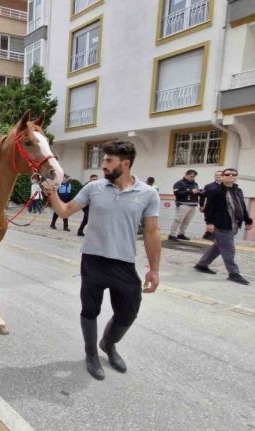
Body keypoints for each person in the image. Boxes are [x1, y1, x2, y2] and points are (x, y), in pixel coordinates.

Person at [43, 140, 161, 381]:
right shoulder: (93, 188)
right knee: (90, 310)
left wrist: (154, 270)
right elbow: (65, 211)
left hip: (124, 263)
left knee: (128, 312)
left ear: (125, 163)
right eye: (103, 160)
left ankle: (108, 343)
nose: (103, 164)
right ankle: (91, 355)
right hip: (93, 260)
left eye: (109, 160)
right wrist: (52, 193)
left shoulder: (148, 194)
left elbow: (151, 232)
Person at [194, 168, 252, 285]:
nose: (230, 176)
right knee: (229, 249)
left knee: (218, 247)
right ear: (222, 177)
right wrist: (209, 222)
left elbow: (241, 207)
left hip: (234, 224)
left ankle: (202, 265)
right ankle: (234, 274)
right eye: (227, 174)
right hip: (221, 224)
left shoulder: (238, 190)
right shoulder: (215, 191)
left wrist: (248, 220)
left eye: (233, 174)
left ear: (236, 177)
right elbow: (209, 208)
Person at [169, 169, 200, 241]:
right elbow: (177, 193)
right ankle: (172, 235)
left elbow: (195, 192)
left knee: (187, 221)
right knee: (178, 220)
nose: (192, 178)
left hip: (193, 205)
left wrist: (199, 192)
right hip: (183, 204)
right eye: (191, 176)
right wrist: (190, 191)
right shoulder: (179, 183)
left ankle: (181, 234)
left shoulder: (195, 184)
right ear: (186, 175)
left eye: (194, 177)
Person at [199, 171, 222, 240]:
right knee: (210, 222)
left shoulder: (225, 186)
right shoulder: (209, 186)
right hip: (210, 207)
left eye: (219, 175)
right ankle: (209, 235)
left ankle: (209, 235)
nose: (217, 176)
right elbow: (202, 196)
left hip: (221, 208)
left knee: (219, 222)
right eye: (216, 175)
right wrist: (201, 205)